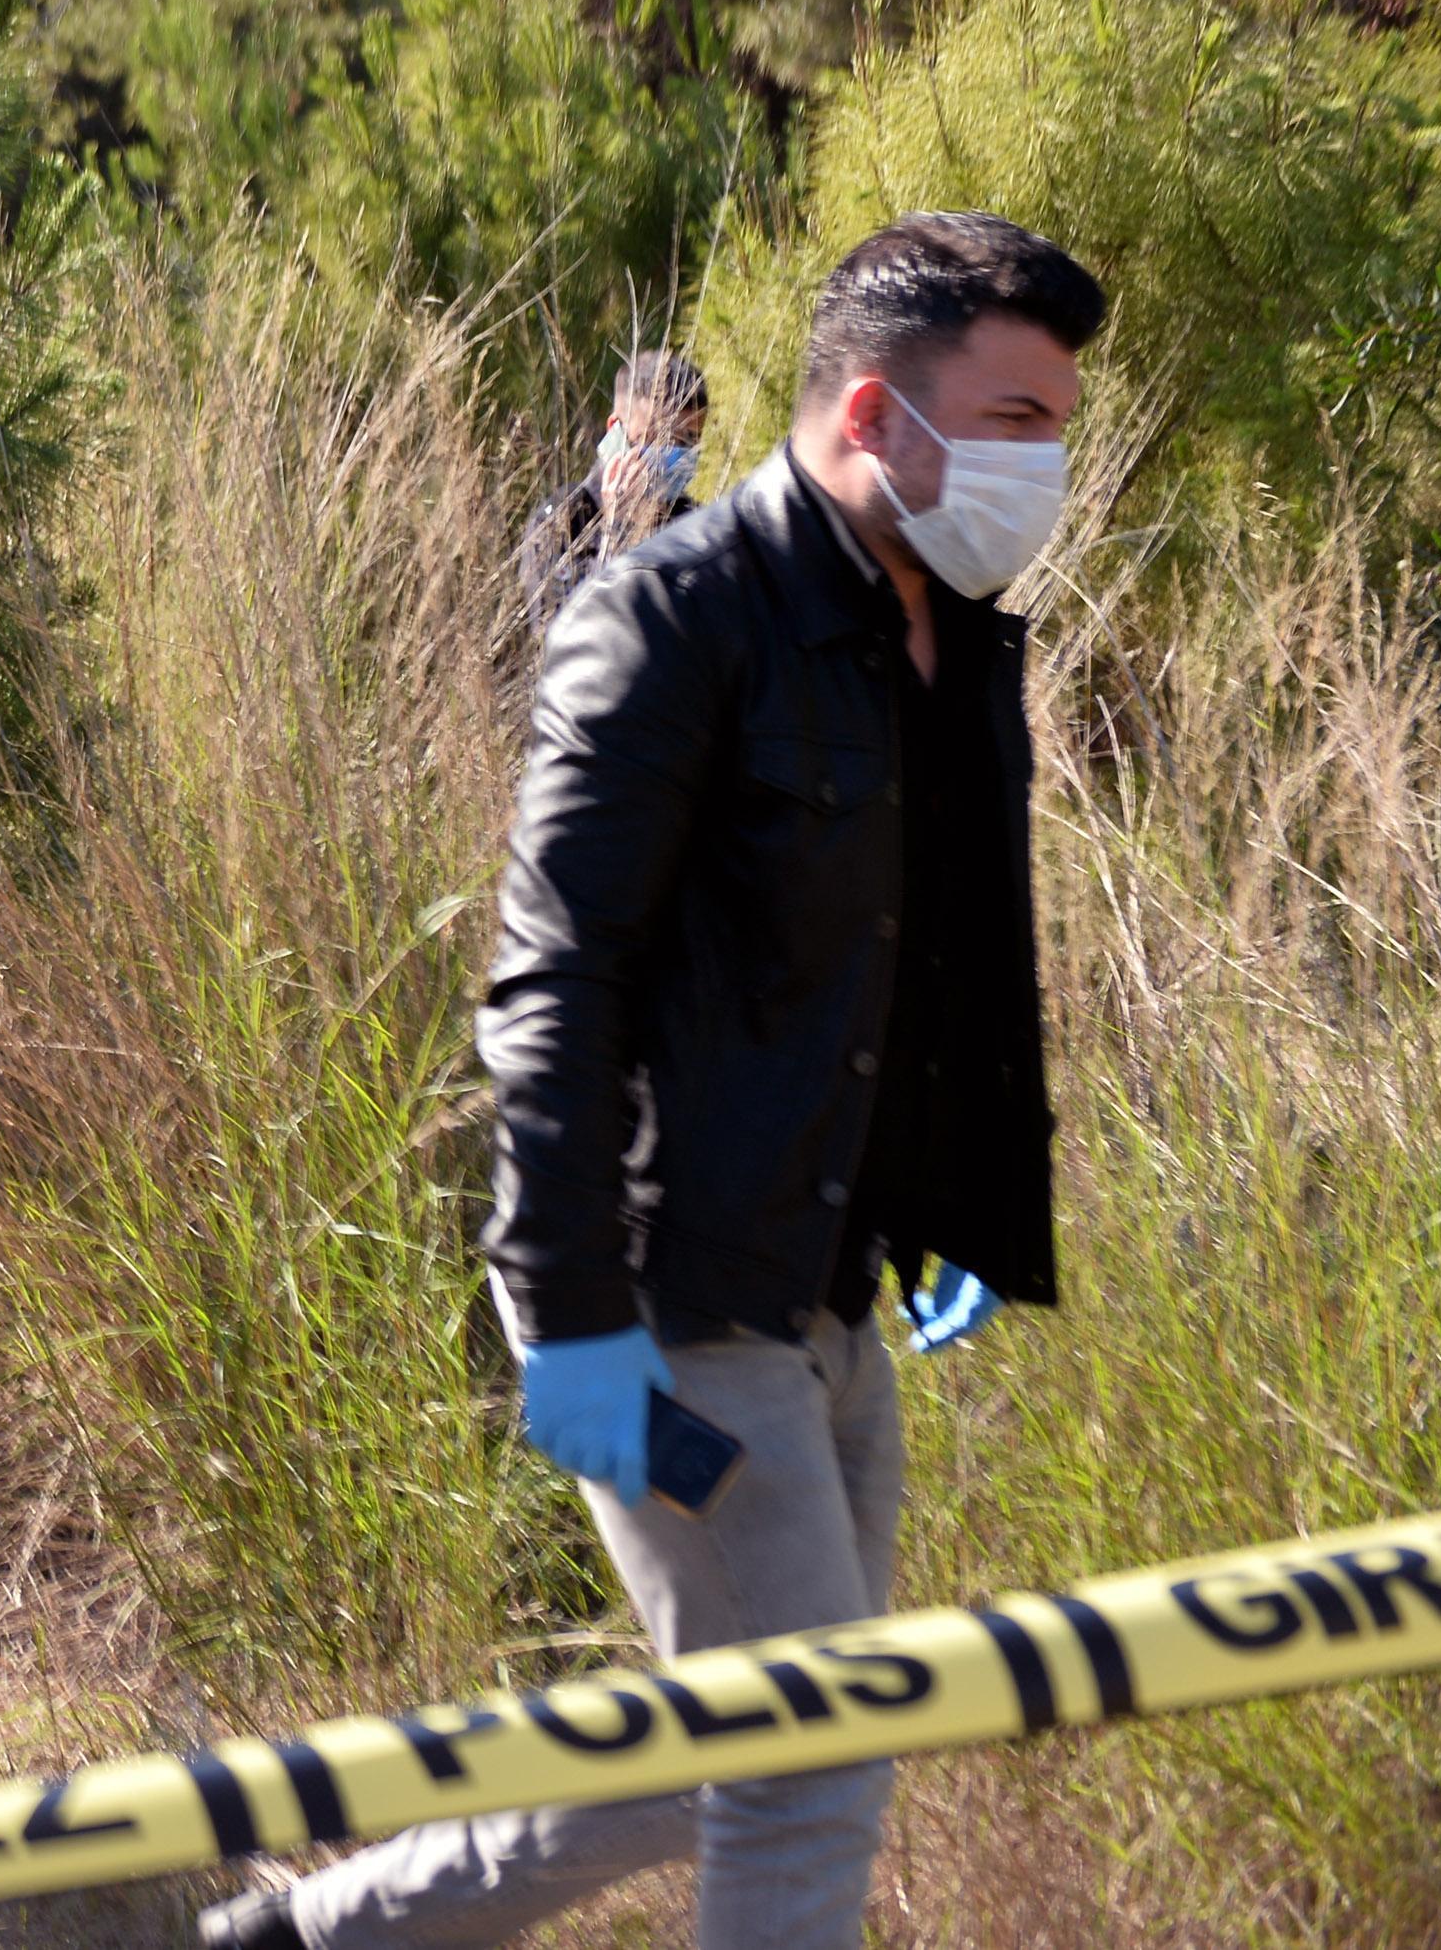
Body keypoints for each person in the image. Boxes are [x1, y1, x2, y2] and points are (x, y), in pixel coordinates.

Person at [206, 212, 1104, 1950]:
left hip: (826, 1284)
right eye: (1015, 419)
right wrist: (573, 1313)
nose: (1045, 462)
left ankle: (316, 1934)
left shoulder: (956, 631)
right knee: (810, 1760)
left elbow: (938, 953)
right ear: (870, 413)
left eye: (1056, 421)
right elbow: (557, 979)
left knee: (719, 1742)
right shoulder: (671, 619)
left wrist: (968, 1184)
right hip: (667, 1288)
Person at [515, 350, 710, 630]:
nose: (672, 453)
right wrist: (619, 531)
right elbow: (564, 637)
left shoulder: (697, 527)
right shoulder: (561, 521)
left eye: (687, 441)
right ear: (615, 429)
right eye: (656, 438)